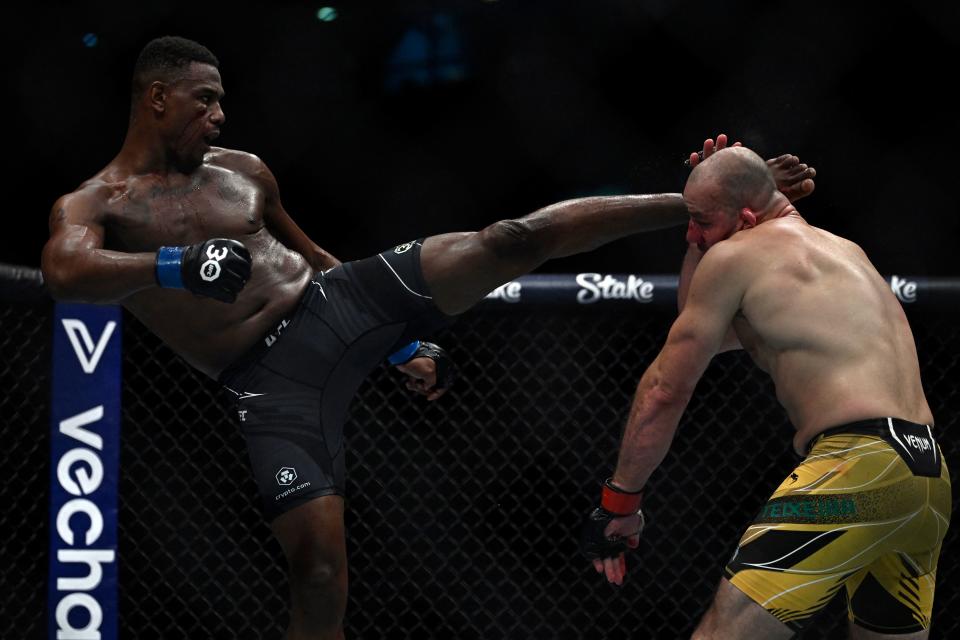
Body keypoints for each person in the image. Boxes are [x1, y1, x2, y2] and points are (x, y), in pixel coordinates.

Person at [41, 36, 814, 639]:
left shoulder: (242, 169)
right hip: (266, 381)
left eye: (221, 101)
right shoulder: (99, 201)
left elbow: (311, 256)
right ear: (156, 97)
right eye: (204, 101)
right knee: (317, 575)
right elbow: (65, 270)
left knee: (510, 238)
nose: (219, 116)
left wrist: (394, 341)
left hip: (335, 304)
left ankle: (690, 202)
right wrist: (175, 266)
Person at [581, 142, 950, 639]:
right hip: (925, 476)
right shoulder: (845, 252)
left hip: (855, 469)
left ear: (748, 217)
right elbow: (704, 325)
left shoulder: (738, 255)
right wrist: (703, 218)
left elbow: (666, 387)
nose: (690, 233)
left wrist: (620, 502)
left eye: (700, 221)